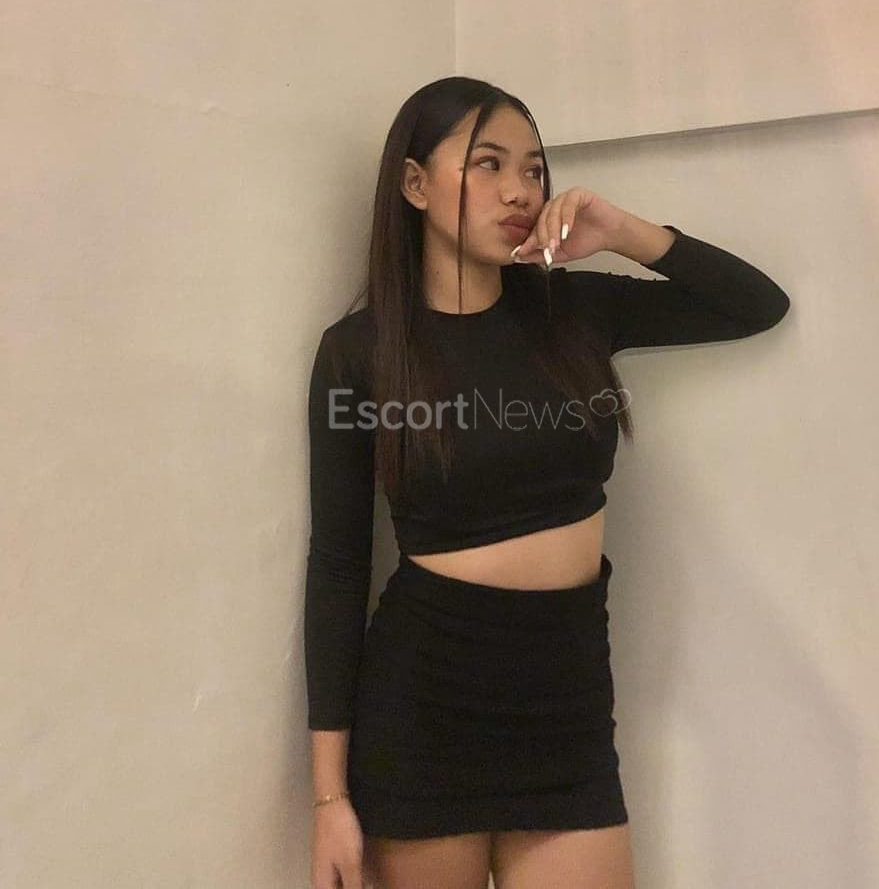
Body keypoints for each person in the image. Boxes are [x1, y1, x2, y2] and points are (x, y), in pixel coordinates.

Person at [305, 76, 790, 889]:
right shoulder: (360, 352)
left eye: (534, 169)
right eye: (488, 164)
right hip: (426, 704)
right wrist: (329, 796)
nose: (520, 191)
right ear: (416, 184)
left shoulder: (575, 311)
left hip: (567, 701)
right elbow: (339, 565)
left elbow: (756, 305)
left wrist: (622, 231)